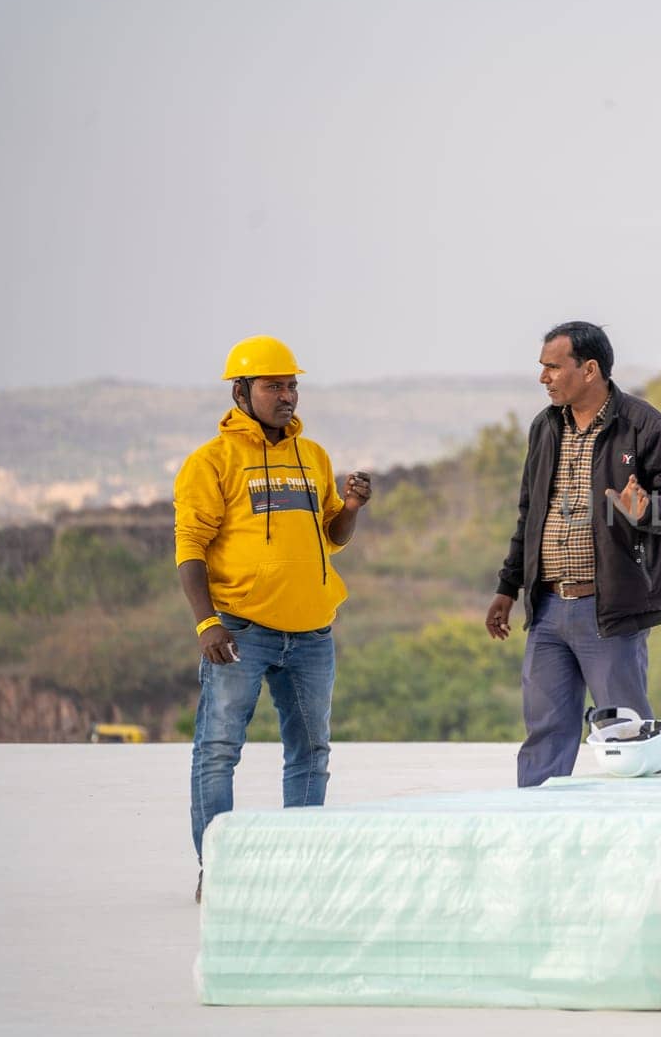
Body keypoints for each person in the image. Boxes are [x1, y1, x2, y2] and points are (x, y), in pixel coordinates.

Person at [174, 336, 371, 901]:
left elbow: (332, 538)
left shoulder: (313, 458)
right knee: (218, 749)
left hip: (312, 632)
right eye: (273, 386)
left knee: (310, 749)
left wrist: (351, 507)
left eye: (291, 386)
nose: (286, 396)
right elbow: (190, 547)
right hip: (240, 632)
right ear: (241, 391)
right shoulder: (211, 462)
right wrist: (206, 623)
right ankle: (221, 869)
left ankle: (300, 864)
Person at [486, 322, 661, 787]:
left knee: (628, 739)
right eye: (542, 368)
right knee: (544, 735)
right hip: (548, 610)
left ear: (590, 369)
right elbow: (529, 514)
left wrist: (646, 510)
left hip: (611, 610)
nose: (544, 378)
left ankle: (641, 840)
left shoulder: (643, 425)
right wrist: (507, 586)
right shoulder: (544, 428)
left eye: (553, 367)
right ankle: (537, 833)